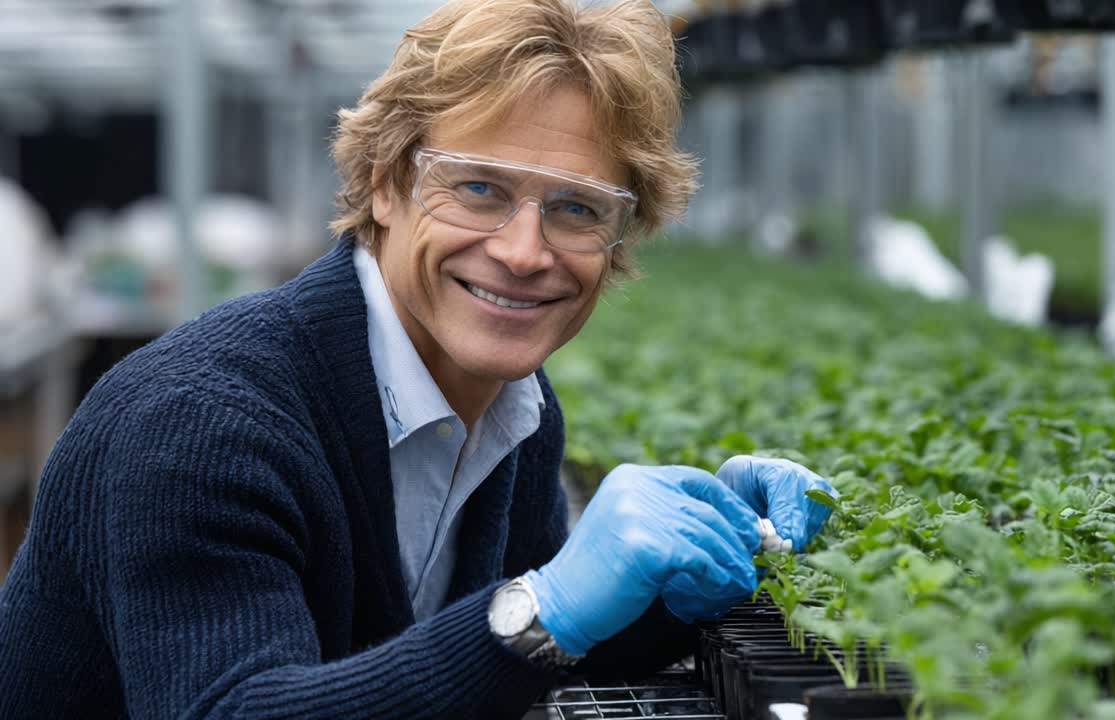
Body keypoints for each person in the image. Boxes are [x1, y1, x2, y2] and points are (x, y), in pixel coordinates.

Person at [0, 1, 832, 717]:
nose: (522, 250)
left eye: (577, 208)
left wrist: (683, 577)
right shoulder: (198, 421)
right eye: (479, 188)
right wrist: (545, 606)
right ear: (387, 185)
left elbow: (476, 663)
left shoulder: (514, 410)